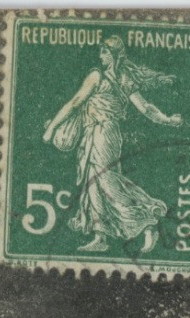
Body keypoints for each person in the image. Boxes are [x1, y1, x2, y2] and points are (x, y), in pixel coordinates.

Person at [41, 36, 182, 254]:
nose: (100, 56)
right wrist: (168, 120)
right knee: (94, 184)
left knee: (105, 182)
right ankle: (101, 236)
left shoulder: (98, 76)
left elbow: (76, 102)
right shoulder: (124, 78)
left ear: (114, 54)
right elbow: (146, 108)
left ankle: (148, 220)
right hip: (99, 134)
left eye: (104, 52)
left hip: (102, 134)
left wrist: (52, 129)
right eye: (100, 52)